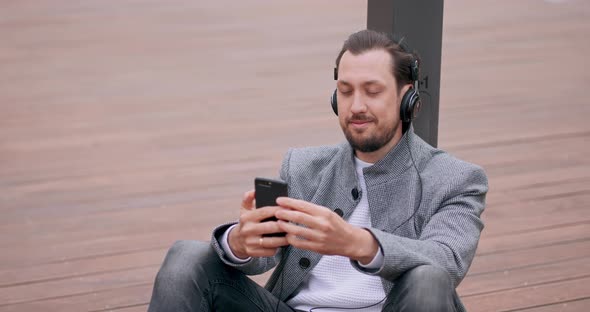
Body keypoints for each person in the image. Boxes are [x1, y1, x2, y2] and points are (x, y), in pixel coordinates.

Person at [147, 29, 488, 312]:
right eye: (345, 91)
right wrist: (240, 243)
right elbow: (265, 259)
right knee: (186, 256)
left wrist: (357, 243)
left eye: (372, 91)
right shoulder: (304, 166)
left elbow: (447, 260)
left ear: (407, 97)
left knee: (428, 279)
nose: (356, 106)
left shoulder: (455, 179)